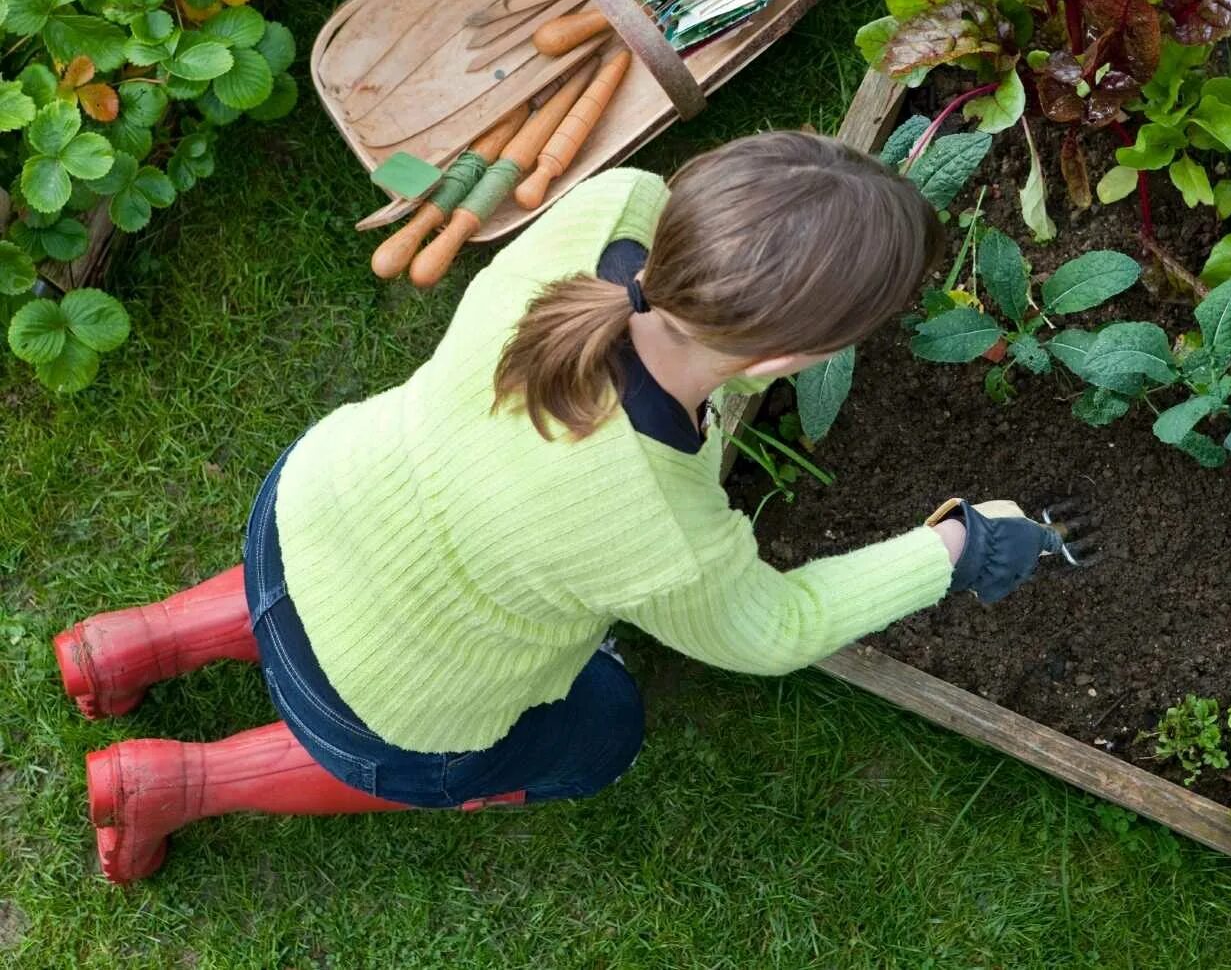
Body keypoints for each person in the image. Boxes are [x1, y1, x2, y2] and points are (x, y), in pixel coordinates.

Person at [56, 131, 1093, 884]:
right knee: (602, 730)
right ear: (783, 363)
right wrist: (950, 546)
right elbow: (780, 628)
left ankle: (131, 643)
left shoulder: (612, 210)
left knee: (375, 570)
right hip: (380, 705)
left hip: (309, 509)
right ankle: (177, 785)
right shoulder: (662, 529)